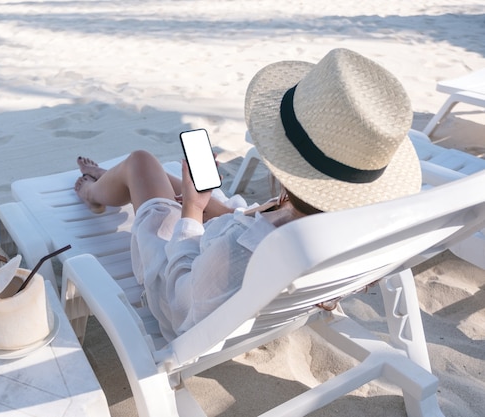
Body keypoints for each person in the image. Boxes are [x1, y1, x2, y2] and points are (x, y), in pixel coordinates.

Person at [74, 48, 422, 341]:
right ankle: (120, 181)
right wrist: (215, 208)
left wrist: (193, 212)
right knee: (176, 181)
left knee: (141, 162)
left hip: (175, 281)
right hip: (250, 280)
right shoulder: (349, 229)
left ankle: (93, 191)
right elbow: (255, 230)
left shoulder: (237, 250)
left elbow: (181, 302)